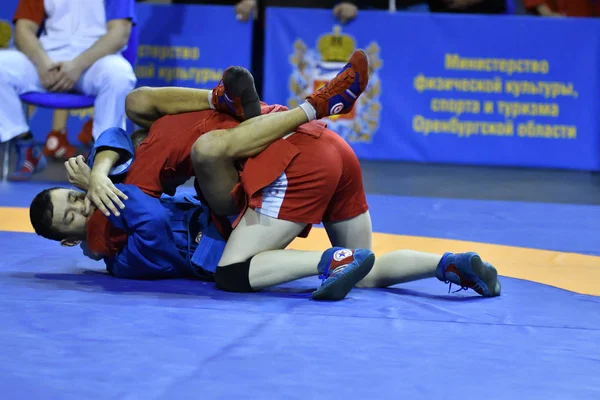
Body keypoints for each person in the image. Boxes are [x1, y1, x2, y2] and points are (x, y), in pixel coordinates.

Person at [30, 52, 501, 299]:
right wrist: (105, 185)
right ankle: (444, 264)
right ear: (72, 241)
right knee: (357, 264)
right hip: (304, 156)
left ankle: (233, 101)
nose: (83, 205)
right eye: (72, 216)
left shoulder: (116, 175)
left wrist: (100, 170)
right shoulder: (108, 240)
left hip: (293, 156)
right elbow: (148, 220)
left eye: (72, 199)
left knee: (149, 111)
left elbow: (117, 131)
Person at [1, 0, 137, 180]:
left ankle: (104, 159)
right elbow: (23, 28)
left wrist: (78, 65)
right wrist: (42, 63)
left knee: (119, 76)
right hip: (47, 61)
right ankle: (25, 145)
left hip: (95, 61)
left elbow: (120, 32)